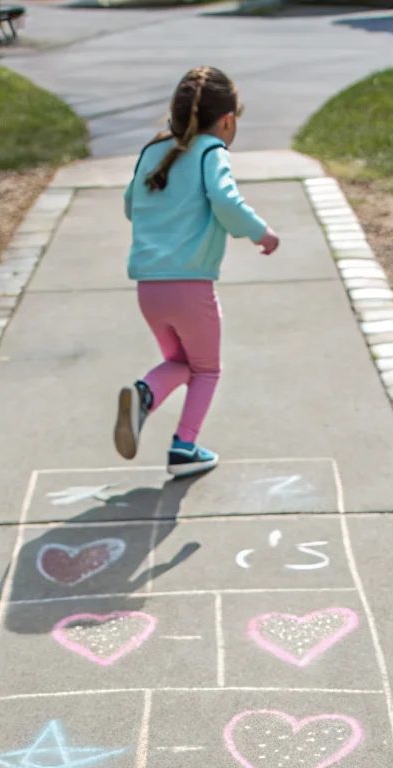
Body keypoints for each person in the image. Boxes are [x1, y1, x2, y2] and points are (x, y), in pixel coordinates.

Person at [115, 65, 280, 478]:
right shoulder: (212, 152)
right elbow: (225, 201)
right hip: (191, 288)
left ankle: (145, 393)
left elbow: (130, 206)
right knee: (207, 368)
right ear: (227, 120)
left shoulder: (152, 151)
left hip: (149, 291)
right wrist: (261, 233)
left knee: (182, 362)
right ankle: (184, 447)